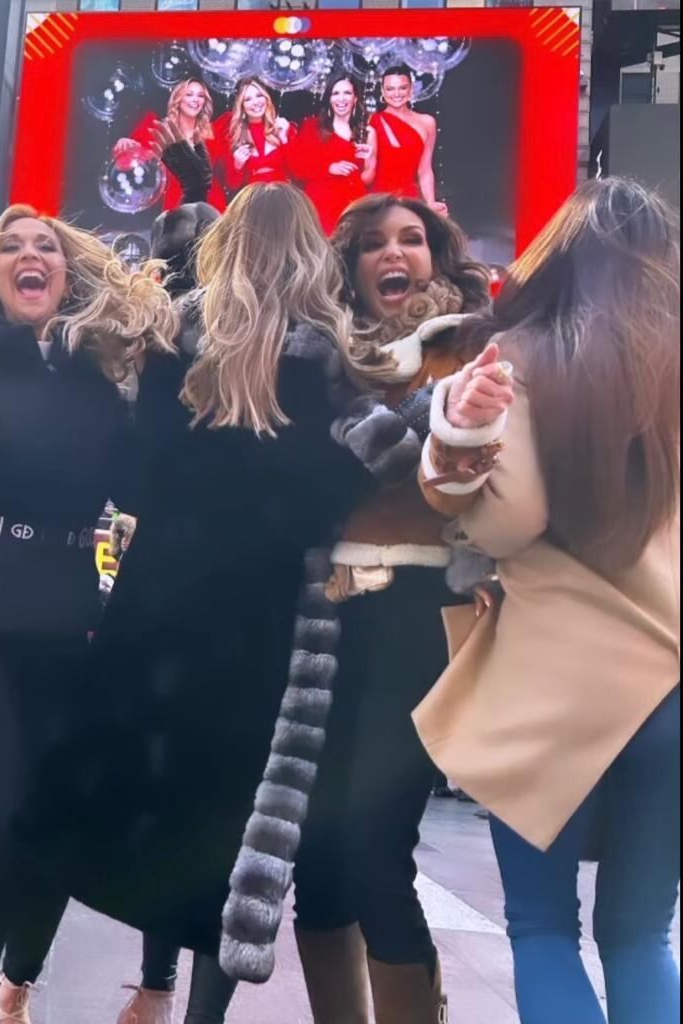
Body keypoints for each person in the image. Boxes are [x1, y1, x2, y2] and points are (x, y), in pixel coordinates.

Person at [22, 183, 433, 1024]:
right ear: (312, 255)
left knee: (147, 802)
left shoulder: (169, 346)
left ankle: (31, 985)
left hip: (160, 614)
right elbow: (370, 478)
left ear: (223, 247)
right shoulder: (327, 364)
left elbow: (133, 483)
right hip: (268, 634)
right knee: (233, 833)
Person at [0, 205, 176, 1024]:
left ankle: (17, 986)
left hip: (60, 624)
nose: (31, 255)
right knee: (11, 820)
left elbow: (142, 490)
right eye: (11, 247)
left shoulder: (98, 383)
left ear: (66, 274)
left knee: (54, 825)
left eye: (46, 247)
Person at [415, 178, 680, 1024]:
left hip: (553, 687)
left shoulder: (523, 355)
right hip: (672, 690)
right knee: (641, 936)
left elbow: (509, 523)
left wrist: (456, 448)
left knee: (541, 930)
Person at [293, 193, 513, 1024]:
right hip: (321, 620)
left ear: (437, 256)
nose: (395, 253)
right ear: (347, 267)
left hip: (419, 611)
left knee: (375, 852)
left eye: (412, 239)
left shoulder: (473, 349)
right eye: (374, 243)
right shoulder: (318, 358)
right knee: (316, 859)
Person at [115, 79, 228, 212]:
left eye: (200, 96)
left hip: (212, 204)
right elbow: (125, 165)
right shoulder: (160, 131)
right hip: (177, 204)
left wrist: (238, 162)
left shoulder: (215, 132)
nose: (195, 100)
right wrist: (124, 146)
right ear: (178, 99)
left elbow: (230, 177)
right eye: (189, 94)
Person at [288, 75, 377, 235]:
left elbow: (367, 179)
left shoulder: (367, 132)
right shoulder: (312, 127)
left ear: (355, 98)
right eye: (335, 93)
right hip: (320, 207)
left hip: (353, 207)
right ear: (329, 98)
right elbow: (296, 168)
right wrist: (329, 168)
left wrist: (368, 159)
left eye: (347, 93)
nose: (341, 99)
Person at [371, 65, 447, 214]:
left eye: (402, 88)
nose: (396, 94)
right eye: (390, 89)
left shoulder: (427, 122)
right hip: (379, 202)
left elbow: (425, 169)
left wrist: (431, 203)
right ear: (383, 91)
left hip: (410, 200)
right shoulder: (372, 121)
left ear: (411, 89)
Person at [224, 77, 296, 193]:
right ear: (241, 106)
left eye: (259, 95)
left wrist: (284, 139)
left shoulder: (283, 128)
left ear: (266, 98)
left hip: (283, 194)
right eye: (248, 99)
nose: (256, 102)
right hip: (253, 197)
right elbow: (232, 185)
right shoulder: (236, 135)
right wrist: (237, 165)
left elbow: (297, 173)